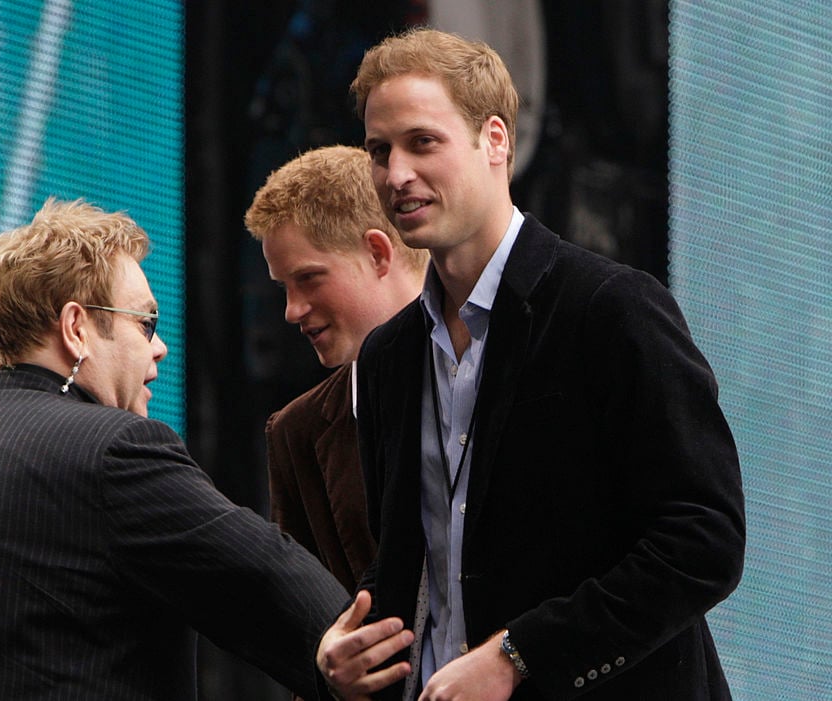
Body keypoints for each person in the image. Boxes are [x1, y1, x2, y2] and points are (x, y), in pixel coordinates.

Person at [316, 28, 746, 701]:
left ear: (496, 141)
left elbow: (703, 541)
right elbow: (423, 559)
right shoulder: (387, 356)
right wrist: (352, 643)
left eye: (422, 142)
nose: (395, 174)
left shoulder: (612, 310)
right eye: (379, 151)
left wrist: (520, 653)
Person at [0, 198, 348, 700]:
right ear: (76, 327)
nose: (159, 347)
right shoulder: (114, 451)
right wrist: (373, 662)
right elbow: (268, 575)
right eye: (145, 322)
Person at [244, 145, 428, 592]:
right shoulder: (296, 432)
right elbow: (301, 617)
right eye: (284, 287)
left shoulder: (508, 370)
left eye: (308, 278)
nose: (290, 310)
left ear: (378, 254)